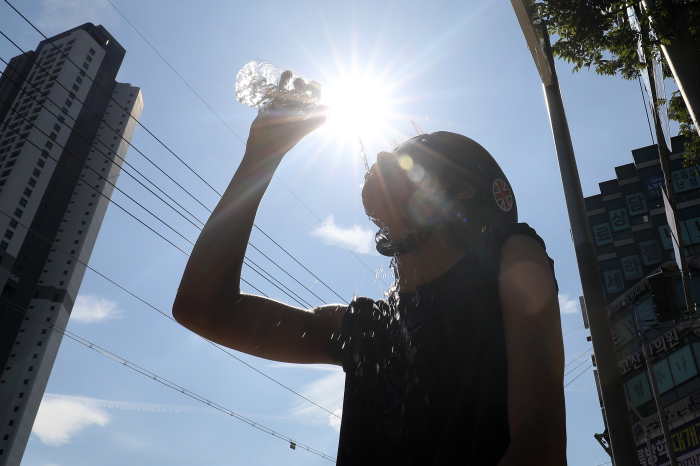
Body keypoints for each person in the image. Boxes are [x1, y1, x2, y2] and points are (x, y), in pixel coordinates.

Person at [173, 100, 567, 465]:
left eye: (408, 156)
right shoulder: (367, 328)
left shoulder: (512, 253)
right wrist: (261, 157)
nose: (381, 156)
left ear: (460, 189)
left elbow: (539, 443)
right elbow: (203, 309)